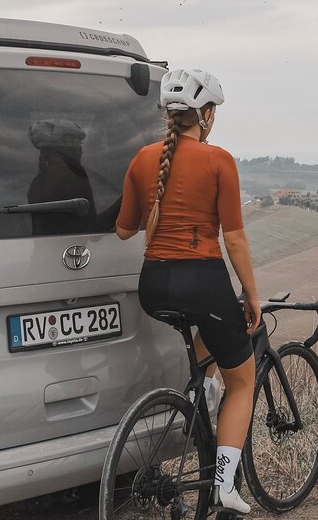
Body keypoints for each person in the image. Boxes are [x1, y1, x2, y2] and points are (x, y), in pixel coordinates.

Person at [114, 68, 260, 513]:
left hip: (154, 285)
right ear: (207, 115)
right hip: (203, 280)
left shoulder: (142, 159)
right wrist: (252, 295)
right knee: (243, 381)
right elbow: (233, 239)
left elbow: (123, 231)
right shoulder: (219, 161)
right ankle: (223, 486)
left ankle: (197, 399)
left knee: (209, 342)